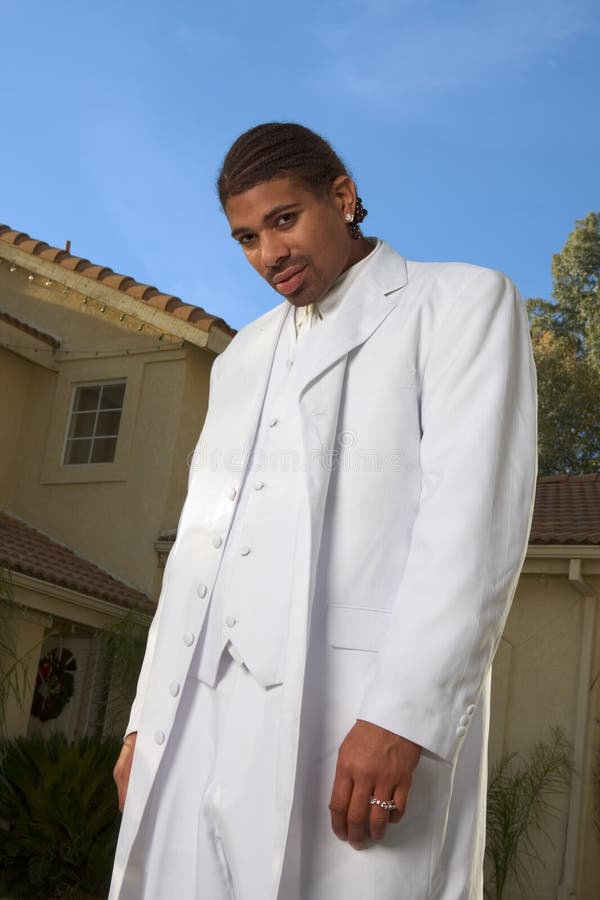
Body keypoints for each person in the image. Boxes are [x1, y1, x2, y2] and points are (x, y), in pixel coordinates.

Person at [109, 122, 538, 900]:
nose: (268, 254)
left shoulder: (463, 303)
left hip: (351, 710)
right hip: (200, 711)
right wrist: (146, 720)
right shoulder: (242, 356)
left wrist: (404, 717)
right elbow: (201, 541)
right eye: (246, 236)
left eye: (283, 219)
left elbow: (473, 525)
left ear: (342, 198)